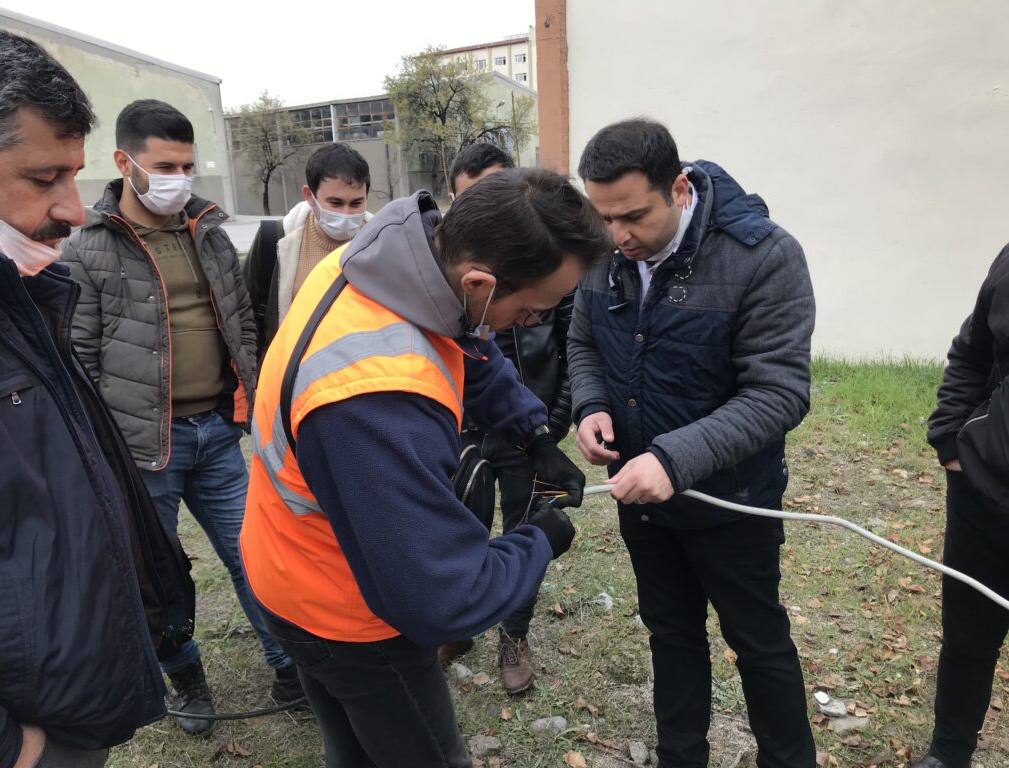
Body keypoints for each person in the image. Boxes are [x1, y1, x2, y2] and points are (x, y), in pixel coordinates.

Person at [239, 168, 608, 767]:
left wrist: (532, 432)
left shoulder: (383, 263)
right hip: (345, 613)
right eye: (534, 308)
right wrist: (538, 539)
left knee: (354, 754)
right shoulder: (378, 397)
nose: (534, 323)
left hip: (286, 566)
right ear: (481, 282)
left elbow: (469, 343)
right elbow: (440, 595)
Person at [569, 118, 816, 767]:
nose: (617, 237)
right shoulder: (606, 253)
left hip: (732, 501)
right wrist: (591, 405)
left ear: (678, 188)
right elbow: (584, 340)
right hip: (642, 498)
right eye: (603, 218)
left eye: (632, 217)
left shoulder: (762, 257)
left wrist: (675, 459)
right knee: (671, 634)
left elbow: (778, 393)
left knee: (758, 642)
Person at [0, 22, 193, 767]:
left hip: (61, 702)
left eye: (73, 177)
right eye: (44, 180)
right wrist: (10, 748)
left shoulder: (20, 298)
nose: (72, 210)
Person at [61, 99, 300, 736]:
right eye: (164, 165)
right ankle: (186, 675)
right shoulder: (87, 248)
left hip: (219, 434)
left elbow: (241, 321)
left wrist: (248, 396)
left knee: (255, 556)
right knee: (158, 579)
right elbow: (79, 358)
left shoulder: (210, 233)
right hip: (143, 449)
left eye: (188, 166)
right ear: (124, 162)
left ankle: (286, 663)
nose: (179, 178)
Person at [438, 143, 576, 695]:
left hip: (526, 426)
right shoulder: (438, 298)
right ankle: (458, 622)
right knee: (463, 534)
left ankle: (513, 634)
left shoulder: (543, 269)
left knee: (526, 529)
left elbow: (573, 343)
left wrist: (547, 426)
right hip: (464, 431)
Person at [915, 243, 1009, 768]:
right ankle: (949, 753)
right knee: (969, 636)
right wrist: (951, 440)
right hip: (983, 492)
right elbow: (972, 348)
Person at [243, 143, 372, 362]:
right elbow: (245, 317)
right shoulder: (274, 240)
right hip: (291, 380)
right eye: (335, 203)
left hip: (361, 382)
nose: (346, 213)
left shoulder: (384, 245)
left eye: (356, 203)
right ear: (309, 196)